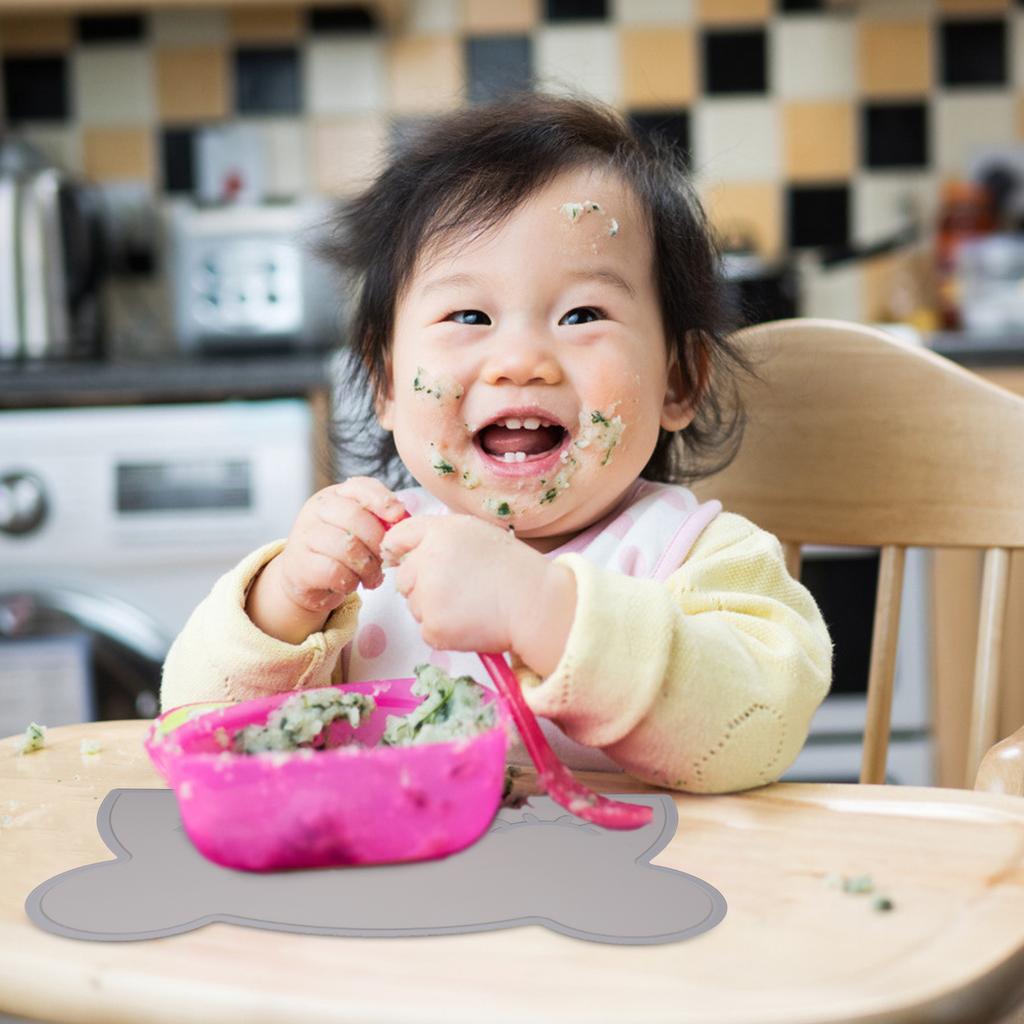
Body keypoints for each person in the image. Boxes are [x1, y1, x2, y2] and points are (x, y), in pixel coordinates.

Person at [162, 93, 832, 793]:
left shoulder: (700, 558)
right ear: (385, 382)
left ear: (677, 380)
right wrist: (283, 606)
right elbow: (198, 730)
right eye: (469, 315)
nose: (520, 361)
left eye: (582, 314)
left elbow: (757, 730)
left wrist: (540, 609)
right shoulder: (367, 571)